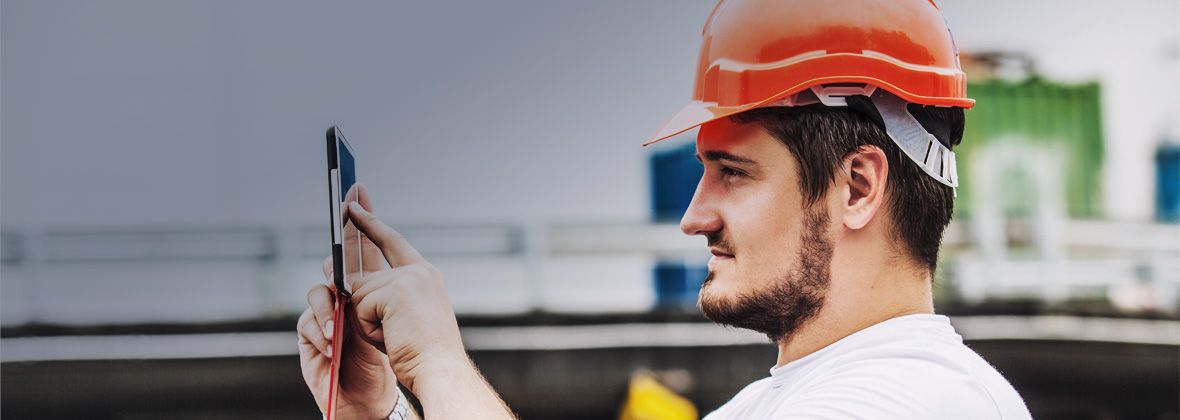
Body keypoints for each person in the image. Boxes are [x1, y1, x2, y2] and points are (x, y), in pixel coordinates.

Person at [297, 0, 1033, 418]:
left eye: (732, 173)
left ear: (858, 187)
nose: (694, 216)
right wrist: (383, 412)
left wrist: (440, 367)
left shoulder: (906, 402)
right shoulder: (785, 404)